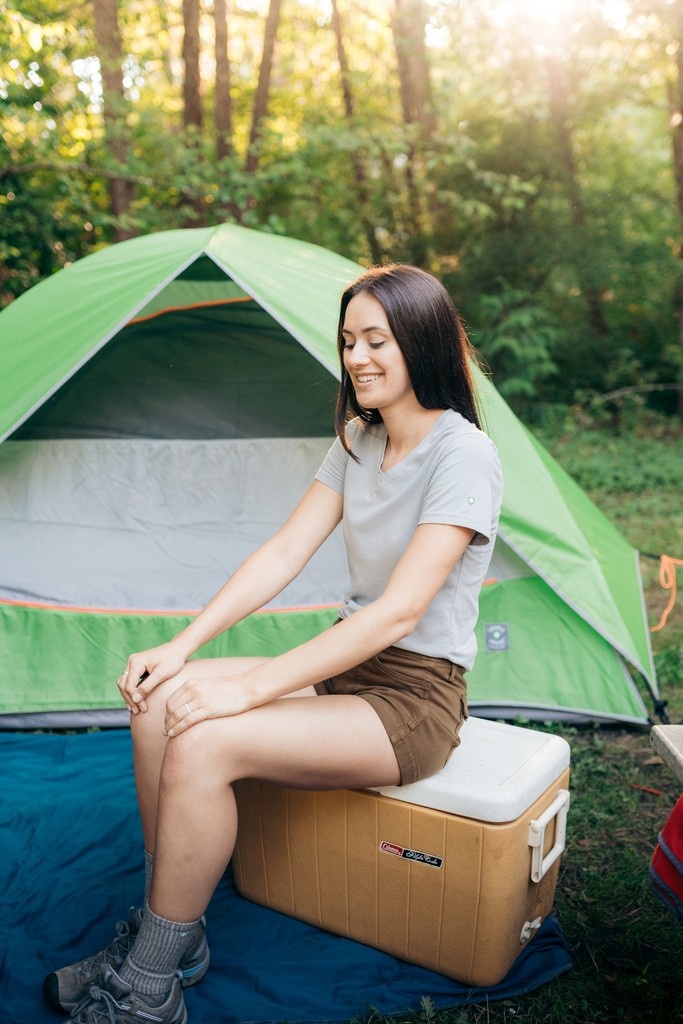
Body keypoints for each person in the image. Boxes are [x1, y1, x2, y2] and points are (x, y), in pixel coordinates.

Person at [43, 264, 503, 1024]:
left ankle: (147, 988)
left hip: (415, 698)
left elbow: (397, 613)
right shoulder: (361, 437)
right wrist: (183, 646)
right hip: (348, 668)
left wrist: (249, 689)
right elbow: (283, 553)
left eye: (375, 341)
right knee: (161, 698)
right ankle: (170, 938)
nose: (355, 358)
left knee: (202, 740)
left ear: (419, 343)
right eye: (348, 341)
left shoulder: (463, 455)